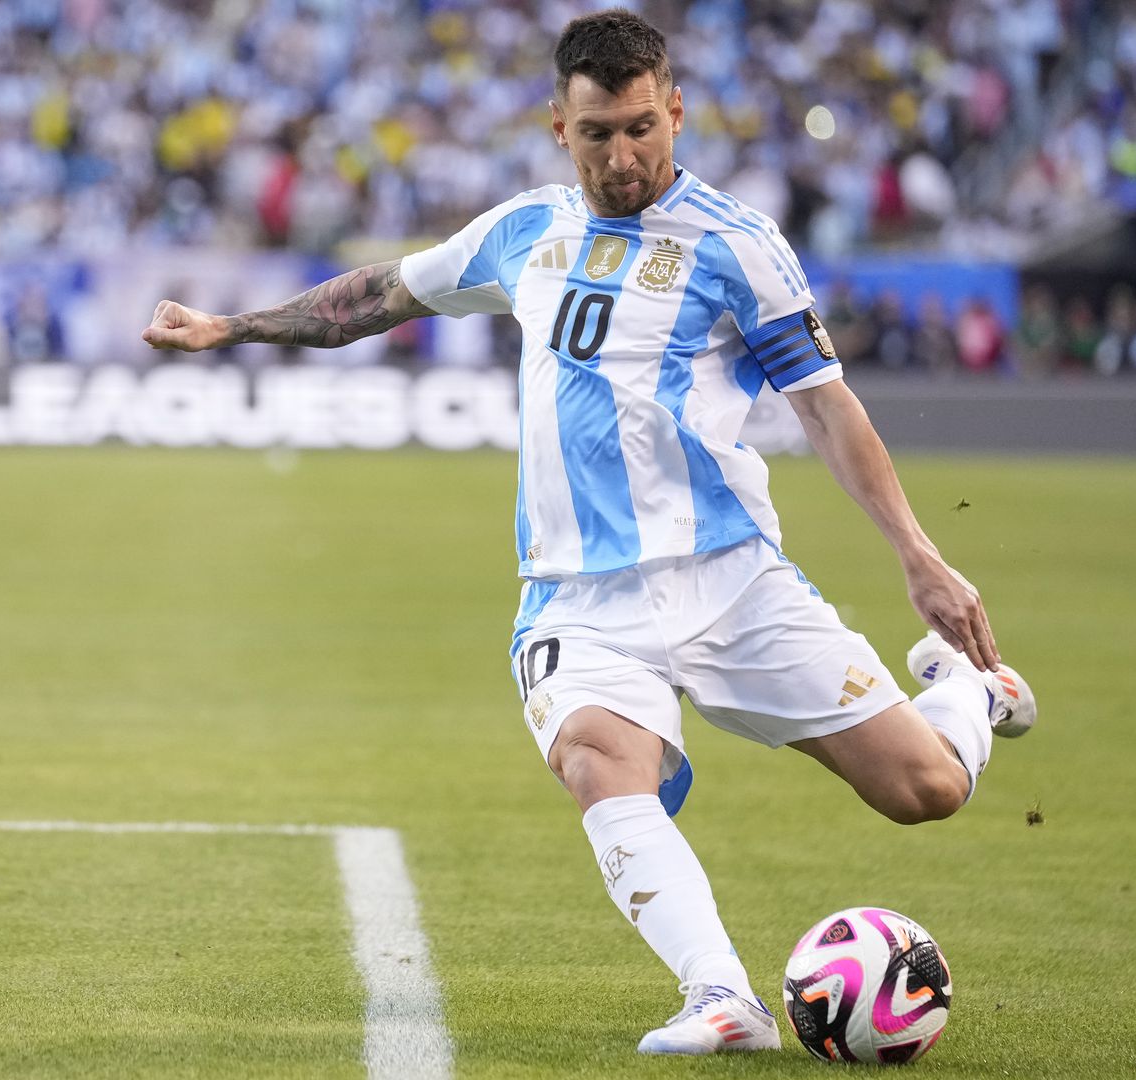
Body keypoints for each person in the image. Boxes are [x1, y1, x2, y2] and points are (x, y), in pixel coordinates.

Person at [141, 10, 1037, 1058]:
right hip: (577, 596)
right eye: (600, 133)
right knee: (599, 761)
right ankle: (722, 999)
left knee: (923, 790)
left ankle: (972, 690)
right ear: (558, 128)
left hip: (732, 580)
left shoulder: (738, 247)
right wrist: (230, 326)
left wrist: (919, 556)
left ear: (678, 113)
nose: (625, 155)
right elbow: (379, 295)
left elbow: (828, 409)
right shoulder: (524, 233)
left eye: (644, 128)